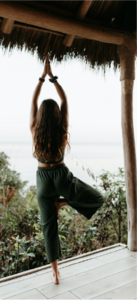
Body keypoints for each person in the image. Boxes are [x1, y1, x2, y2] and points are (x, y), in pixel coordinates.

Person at [29, 55, 104, 284]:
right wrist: (53, 79)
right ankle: (61, 202)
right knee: (97, 197)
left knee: (48, 227)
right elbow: (65, 99)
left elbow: (33, 102)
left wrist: (41, 79)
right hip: (61, 176)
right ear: (57, 115)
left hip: (43, 179)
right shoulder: (62, 127)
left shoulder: (34, 129)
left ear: (41, 115)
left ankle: (55, 273)